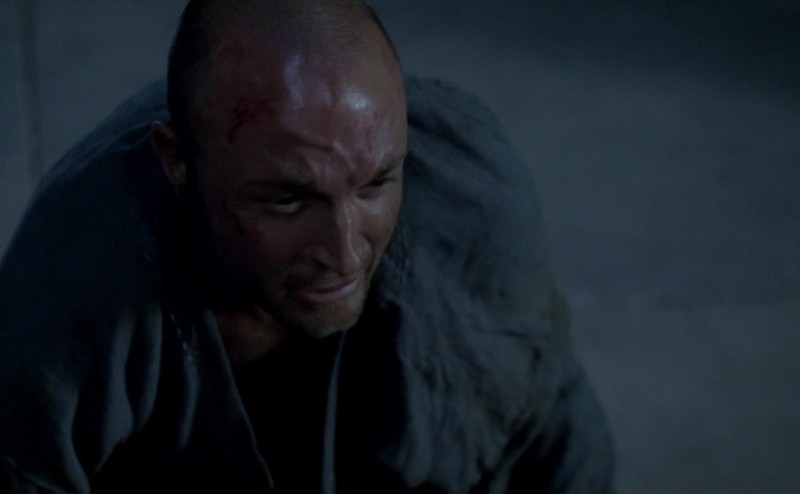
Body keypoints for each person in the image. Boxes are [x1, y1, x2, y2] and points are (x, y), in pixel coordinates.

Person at [0, 0, 614, 492]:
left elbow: (555, 442)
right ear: (178, 163)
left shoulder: (470, 206)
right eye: (288, 201)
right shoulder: (69, 285)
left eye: (375, 185)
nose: (344, 253)